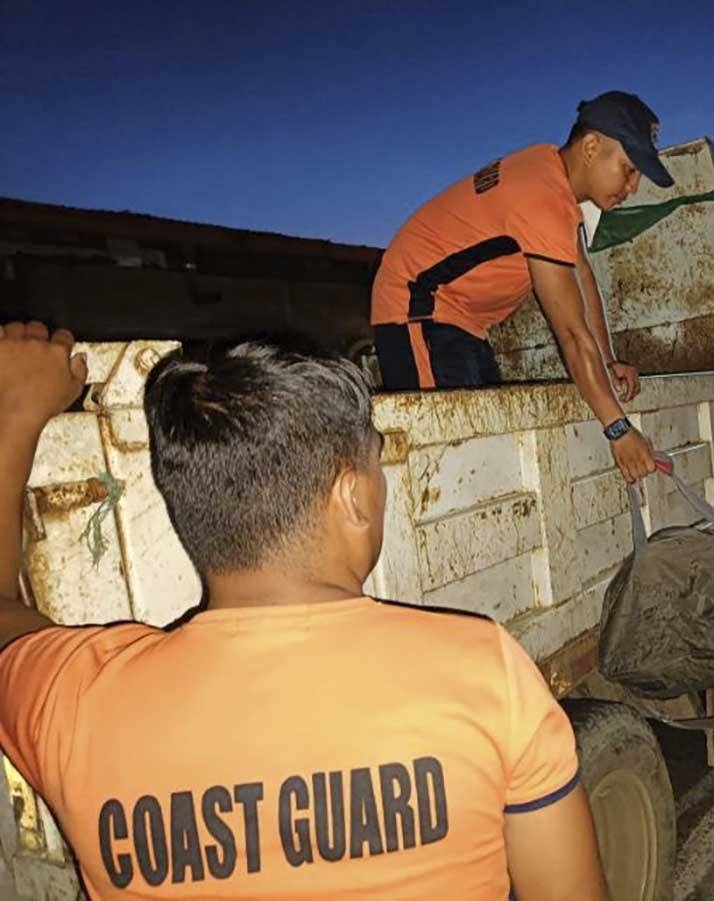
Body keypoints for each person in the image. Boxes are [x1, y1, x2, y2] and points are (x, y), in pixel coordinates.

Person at [0, 321, 609, 901]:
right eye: (376, 461)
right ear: (353, 495)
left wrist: (17, 417)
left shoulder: (77, 701)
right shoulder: (485, 672)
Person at [371, 90, 674, 485]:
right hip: (416, 309)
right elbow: (568, 331)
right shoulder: (541, 196)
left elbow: (582, 278)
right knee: (448, 468)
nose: (632, 187)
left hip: (462, 322)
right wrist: (617, 428)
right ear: (592, 146)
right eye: (628, 169)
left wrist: (608, 360)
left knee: (489, 448)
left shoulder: (552, 178)